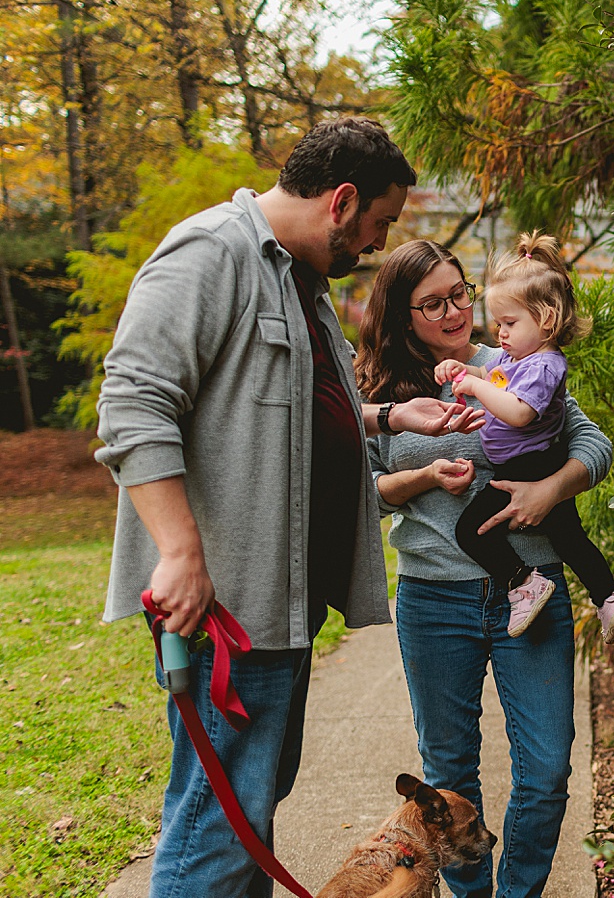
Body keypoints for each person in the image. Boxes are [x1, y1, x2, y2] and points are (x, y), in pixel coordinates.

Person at [95, 117, 483, 898]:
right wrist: (179, 553)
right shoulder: (213, 254)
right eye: (379, 223)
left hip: (281, 607)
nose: (377, 244)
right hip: (226, 609)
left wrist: (385, 418)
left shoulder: (301, 283)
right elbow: (133, 403)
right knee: (216, 823)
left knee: (246, 818)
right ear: (341, 201)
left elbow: (297, 413)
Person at [355, 238, 613, 898]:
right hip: (434, 600)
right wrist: (419, 478)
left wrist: (551, 490)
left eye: (459, 295)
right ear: (400, 314)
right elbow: (363, 494)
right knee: (448, 772)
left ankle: (518, 894)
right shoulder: (382, 396)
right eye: (431, 304)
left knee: (548, 767)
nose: (452, 313)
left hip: (532, 588)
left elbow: (593, 443)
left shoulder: (516, 359)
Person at [436, 231, 614, 644]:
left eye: (509, 323)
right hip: (530, 462)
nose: (500, 334)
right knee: (569, 537)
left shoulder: (545, 366)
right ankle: (609, 598)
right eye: (497, 325)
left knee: (471, 530)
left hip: (533, 464)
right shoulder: (516, 359)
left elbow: (519, 411)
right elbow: (495, 378)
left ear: (545, 319)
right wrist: (462, 372)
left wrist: (476, 389)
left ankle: (523, 581)